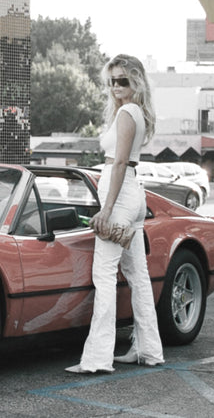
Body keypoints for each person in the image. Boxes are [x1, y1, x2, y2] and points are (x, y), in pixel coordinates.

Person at [66, 54, 164, 374]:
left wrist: (105, 210)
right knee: (138, 276)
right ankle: (149, 350)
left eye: (123, 80)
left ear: (136, 81)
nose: (116, 86)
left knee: (104, 276)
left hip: (120, 195)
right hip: (134, 193)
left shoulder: (126, 113)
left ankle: (97, 359)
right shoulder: (139, 113)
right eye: (112, 81)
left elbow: (119, 162)